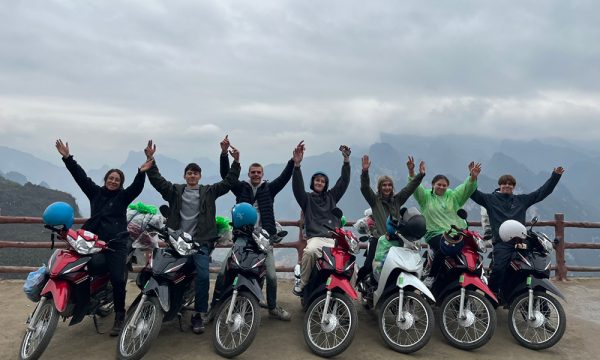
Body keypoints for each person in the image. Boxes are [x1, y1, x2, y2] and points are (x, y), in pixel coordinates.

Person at [55, 139, 151, 336]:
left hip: (116, 244)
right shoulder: (95, 193)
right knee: (78, 269)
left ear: (120, 184)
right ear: (106, 179)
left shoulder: (123, 197)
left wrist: (142, 172)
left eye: (117, 179)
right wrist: (67, 158)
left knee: (117, 279)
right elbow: (80, 177)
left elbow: (136, 188)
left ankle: (119, 315)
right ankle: (83, 302)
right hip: (93, 243)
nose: (113, 181)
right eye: (111, 178)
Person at [143, 139, 241, 334]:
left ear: (200, 176)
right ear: (185, 175)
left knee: (203, 276)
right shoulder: (175, 191)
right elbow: (158, 181)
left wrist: (236, 162)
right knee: (159, 271)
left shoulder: (209, 192)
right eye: (189, 173)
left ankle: (198, 314)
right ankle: (155, 305)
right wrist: (150, 159)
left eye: (195, 173)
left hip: (200, 244)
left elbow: (228, 182)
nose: (192, 176)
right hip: (175, 241)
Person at [210, 136, 302, 321]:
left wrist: (293, 161)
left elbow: (284, 178)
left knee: (272, 276)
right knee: (222, 272)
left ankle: (273, 307)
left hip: (264, 239)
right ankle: (215, 307)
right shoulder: (240, 188)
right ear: (248, 174)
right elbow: (225, 175)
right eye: (253, 172)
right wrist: (225, 155)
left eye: (258, 172)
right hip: (242, 237)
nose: (256, 174)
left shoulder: (269, 189)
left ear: (262, 174)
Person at [470, 167, 564, 297]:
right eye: (504, 183)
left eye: (510, 184)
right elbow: (472, 193)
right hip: (502, 243)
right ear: (499, 185)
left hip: (521, 242)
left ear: (513, 187)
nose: (507, 186)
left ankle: (537, 297)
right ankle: (490, 298)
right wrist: (472, 177)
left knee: (536, 266)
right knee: (498, 269)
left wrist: (555, 176)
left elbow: (542, 192)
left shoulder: (521, 200)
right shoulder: (490, 200)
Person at [291, 143, 351, 296]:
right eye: (317, 180)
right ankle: (303, 283)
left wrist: (346, 161)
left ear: (325, 184)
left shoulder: (332, 196)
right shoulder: (307, 199)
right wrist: (296, 166)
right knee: (309, 252)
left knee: (349, 260)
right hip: (316, 239)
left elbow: (343, 182)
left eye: (322, 181)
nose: (319, 183)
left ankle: (347, 291)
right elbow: (297, 188)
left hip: (334, 240)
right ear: (313, 182)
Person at [409, 159, 481, 286]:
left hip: (455, 233)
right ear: (433, 184)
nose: (441, 187)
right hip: (434, 233)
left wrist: (472, 177)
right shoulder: (425, 197)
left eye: (444, 185)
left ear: (447, 186)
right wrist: (412, 172)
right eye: (439, 184)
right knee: (445, 247)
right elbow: (415, 188)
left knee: (471, 250)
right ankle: (431, 277)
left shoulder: (453, 196)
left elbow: (465, 189)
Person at [356, 155, 425, 283]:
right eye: (384, 185)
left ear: (392, 187)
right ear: (379, 187)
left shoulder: (397, 200)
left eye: (389, 185)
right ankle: (361, 285)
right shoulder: (374, 200)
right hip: (378, 239)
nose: (387, 188)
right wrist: (365, 172)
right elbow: (365, 188)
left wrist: (420, 175)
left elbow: (409, 189)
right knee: (368, 265)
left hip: (396, 240)